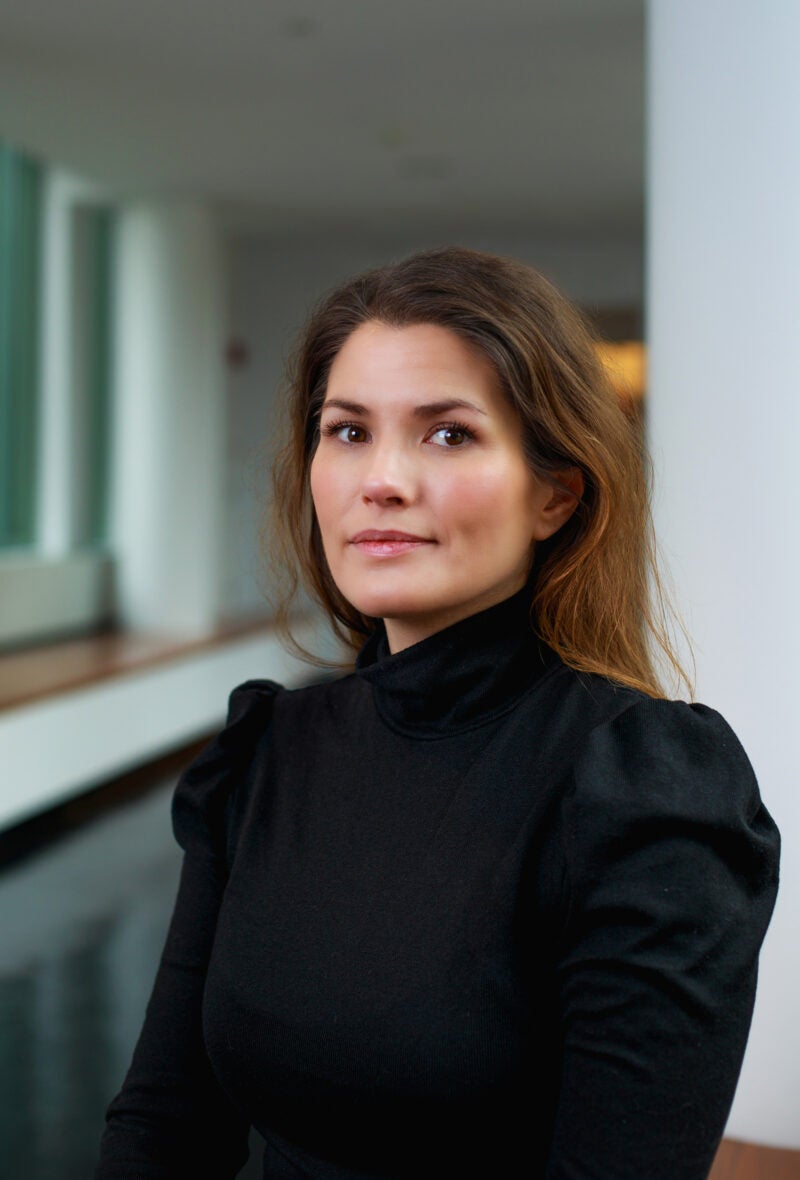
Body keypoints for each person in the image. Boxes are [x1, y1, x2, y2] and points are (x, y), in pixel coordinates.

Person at [96, 247, 780, 1179]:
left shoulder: (642, 789)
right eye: (347, 432)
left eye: (447, 434)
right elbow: (165, 1124)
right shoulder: (267, 751)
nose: (382, 479)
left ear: (556, 494)